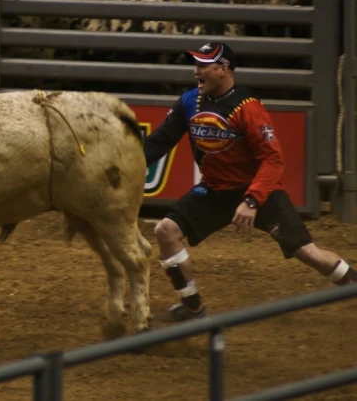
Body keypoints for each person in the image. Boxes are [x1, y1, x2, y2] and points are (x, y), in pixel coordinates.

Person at [144, 41, 357, 322]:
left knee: (309, 253)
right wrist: (127, 164)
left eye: (202, 66)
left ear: (223, 70)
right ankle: (193, 308)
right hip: (214, 191)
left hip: (258, 193)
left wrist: (252, 200)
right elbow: (159, 142)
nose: (196, 72)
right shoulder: (189, 102)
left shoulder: (248, 107)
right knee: (165, 232)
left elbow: (272, 160)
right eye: (195, 65)